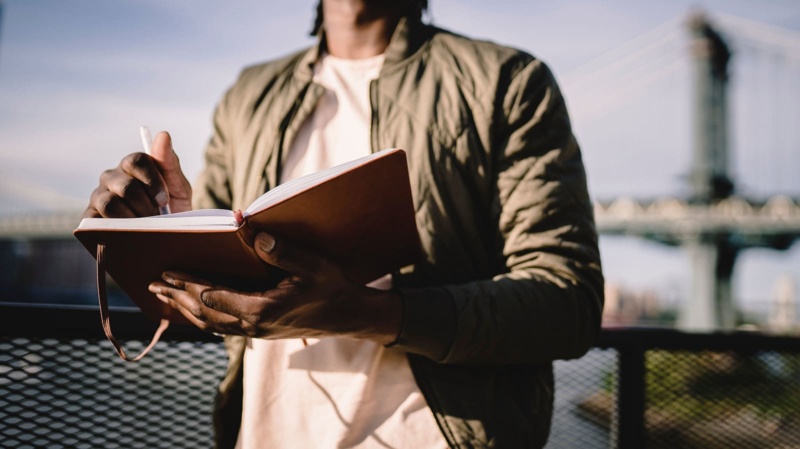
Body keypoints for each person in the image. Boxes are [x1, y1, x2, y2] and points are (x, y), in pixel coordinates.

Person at [83, 0, 604, 447]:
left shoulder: (507, 81)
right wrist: (161, 229)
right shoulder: (248, 95)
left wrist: (362, 313)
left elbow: (568, 302)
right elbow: (207, 297)